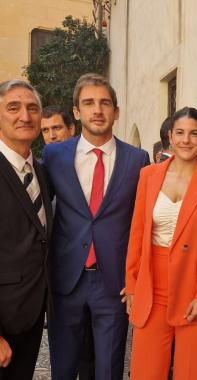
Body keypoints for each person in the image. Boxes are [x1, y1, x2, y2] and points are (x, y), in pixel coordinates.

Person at [42, 73, 150, 380]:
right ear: (76, 112)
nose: (97, 110)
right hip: (66, 280)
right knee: (63, 368)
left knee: (108, 368)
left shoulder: (137, 159)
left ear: (116, 111)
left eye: (105, 103)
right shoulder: (54, 156)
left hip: (113, 283)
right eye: (89, 103)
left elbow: (141, 222)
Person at [124, 106, 197, 380]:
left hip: (194, 287)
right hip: (152, 286)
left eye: (194, 134)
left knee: (191, 372)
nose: (186, 140)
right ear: (170, 136)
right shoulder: (149, 175)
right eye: (180, 133)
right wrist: (132, 285)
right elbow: (137, 232)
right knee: (145, 371)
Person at [0, 80, 52, 380]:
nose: (25, 116)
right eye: (14, 108)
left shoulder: (40, 171)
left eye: (33, 108)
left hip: (31, 316)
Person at [41, 104, 95, 380]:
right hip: (62, 275)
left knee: (93, 355)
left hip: (98, 273)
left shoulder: (93, 162)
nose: (51, 136)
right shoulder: (42, 169)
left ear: (72, 129)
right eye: (45, 131)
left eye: (57, 128)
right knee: (63, 355)